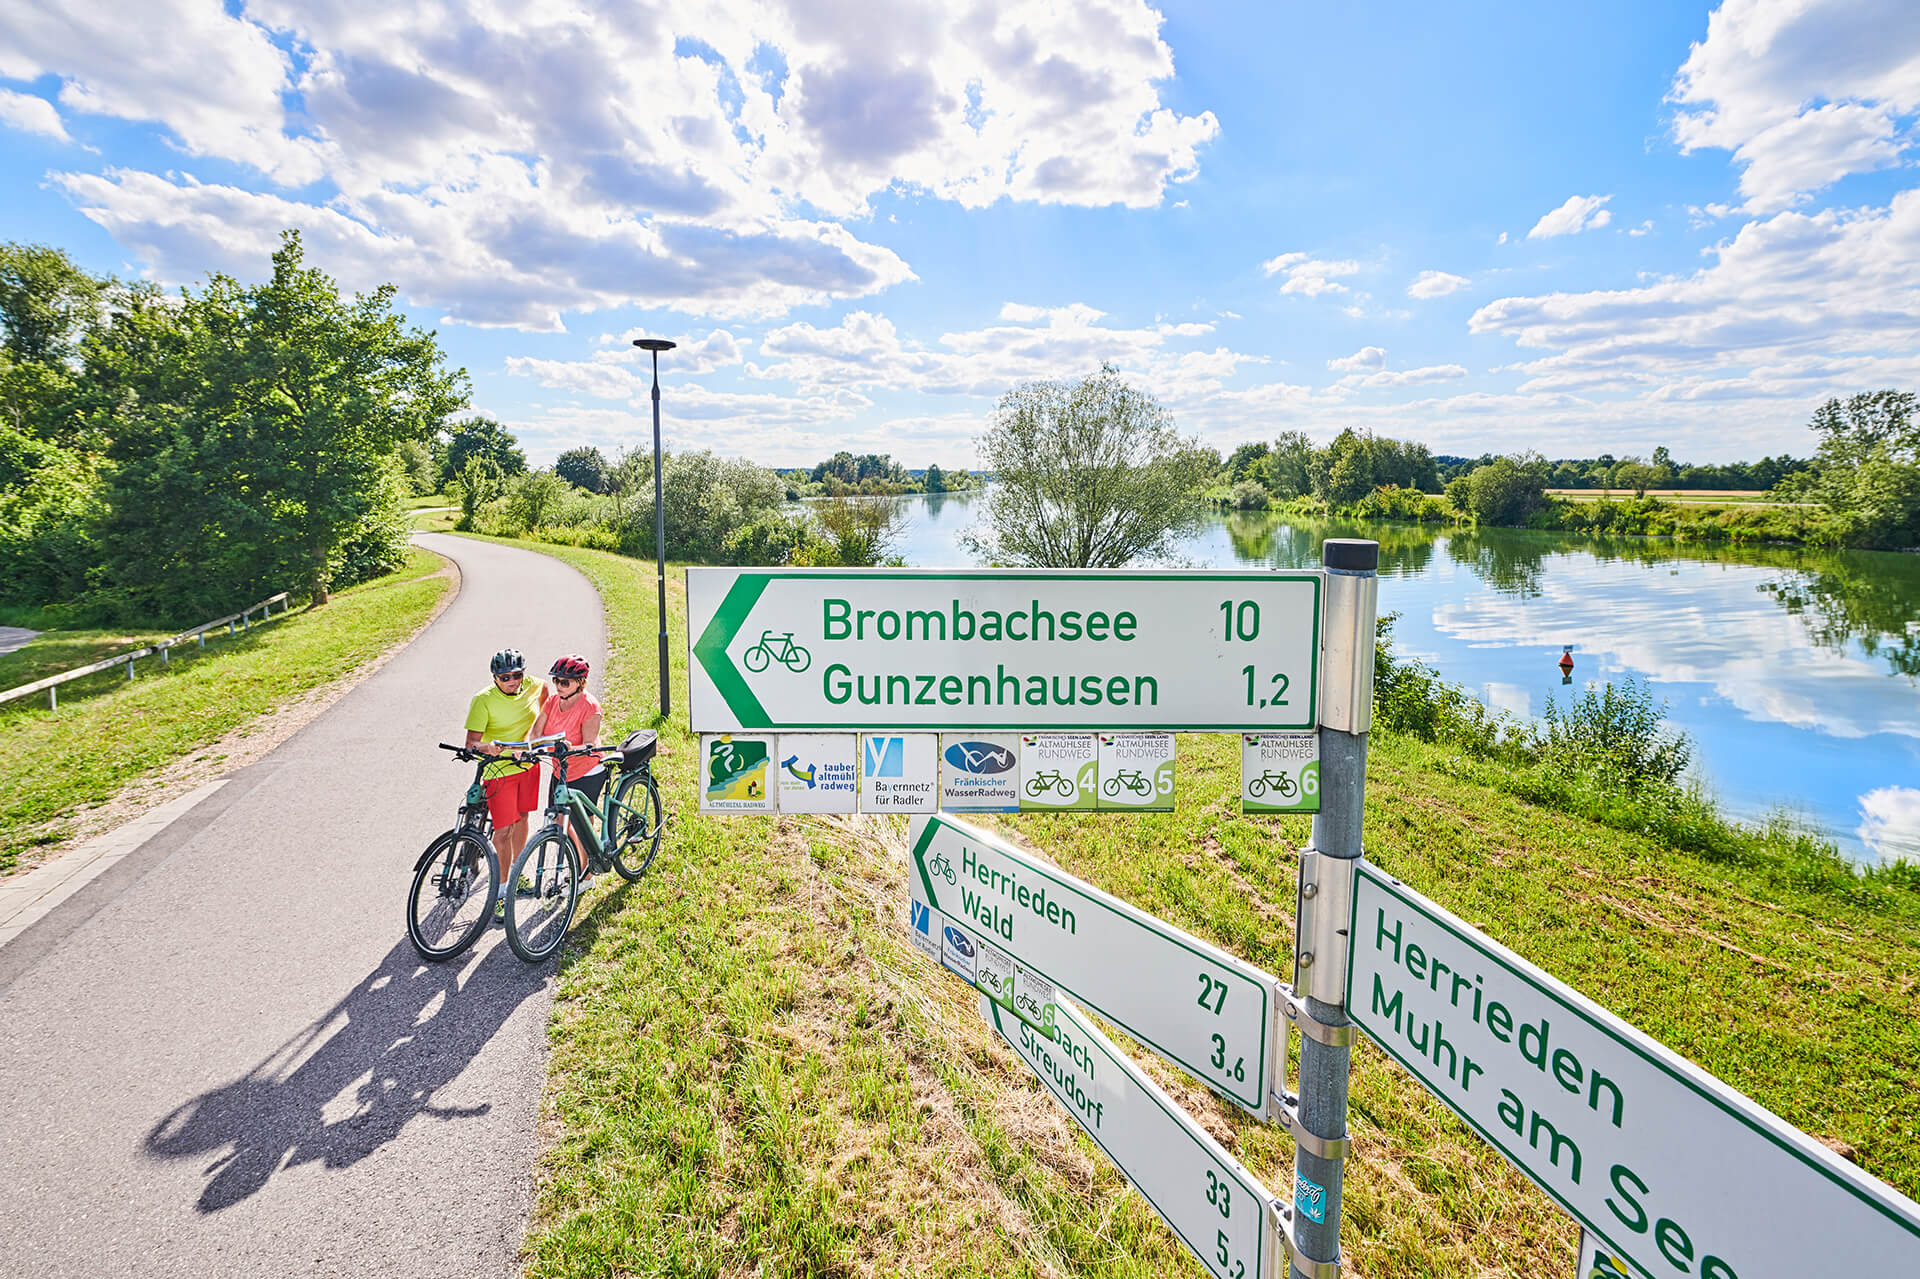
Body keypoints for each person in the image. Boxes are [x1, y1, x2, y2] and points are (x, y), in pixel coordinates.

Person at [463, 648, 546, 917]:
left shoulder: (536, 687)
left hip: (528, 767)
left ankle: (516, 874)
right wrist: (488, 748)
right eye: (504, 677)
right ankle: (500, 892)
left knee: (522, 820)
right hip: (499, 772)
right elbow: (471, 743)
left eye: (516, 675)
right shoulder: (483, 700)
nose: (511, 681)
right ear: (495, 677)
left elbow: (551, 710)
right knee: (503, 832)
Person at [529, 653, 604, 889]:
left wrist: (573, 747)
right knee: (560, 820)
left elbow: (590, 745)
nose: (559, 687)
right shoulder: (552, 702)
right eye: (556, 681)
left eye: (565, 682)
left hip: (587, 770)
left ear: (580, 682)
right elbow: (536, 732)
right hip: (560, 771)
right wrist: (529, 747)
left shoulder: (590, 707)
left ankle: (586, 875)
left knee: (583, 826)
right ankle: (575, 861)